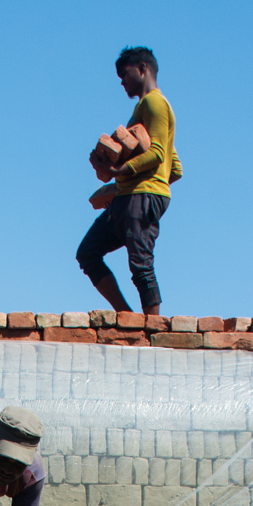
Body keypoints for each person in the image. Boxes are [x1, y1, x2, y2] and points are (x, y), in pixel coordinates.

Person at [76, 46, 180, 317]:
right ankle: (129, 318)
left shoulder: (154, 103)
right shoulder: (142, 109)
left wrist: (118, 170)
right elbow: (174, 167)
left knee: (140, 264)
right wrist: (118, 182)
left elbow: (158, 153)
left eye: (124, 73)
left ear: (143, 69)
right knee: (88, 253)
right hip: (130, 196)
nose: (121, 81)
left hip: (141, 197)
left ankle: (153, 327)